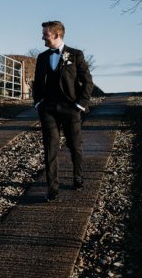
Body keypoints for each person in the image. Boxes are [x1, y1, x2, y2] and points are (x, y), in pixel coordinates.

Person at [32, 21, 93, 202]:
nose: (42, 37)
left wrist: (80, 105)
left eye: (45, 34)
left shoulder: (75, 55)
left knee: (75, 146)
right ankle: (53, 187)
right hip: (48, 109)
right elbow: (37, 82)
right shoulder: (42, 57)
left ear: (56, 35)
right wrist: (38, 103)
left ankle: (78, 176)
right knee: (50, 148)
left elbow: (88, 82)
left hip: (70, 109)